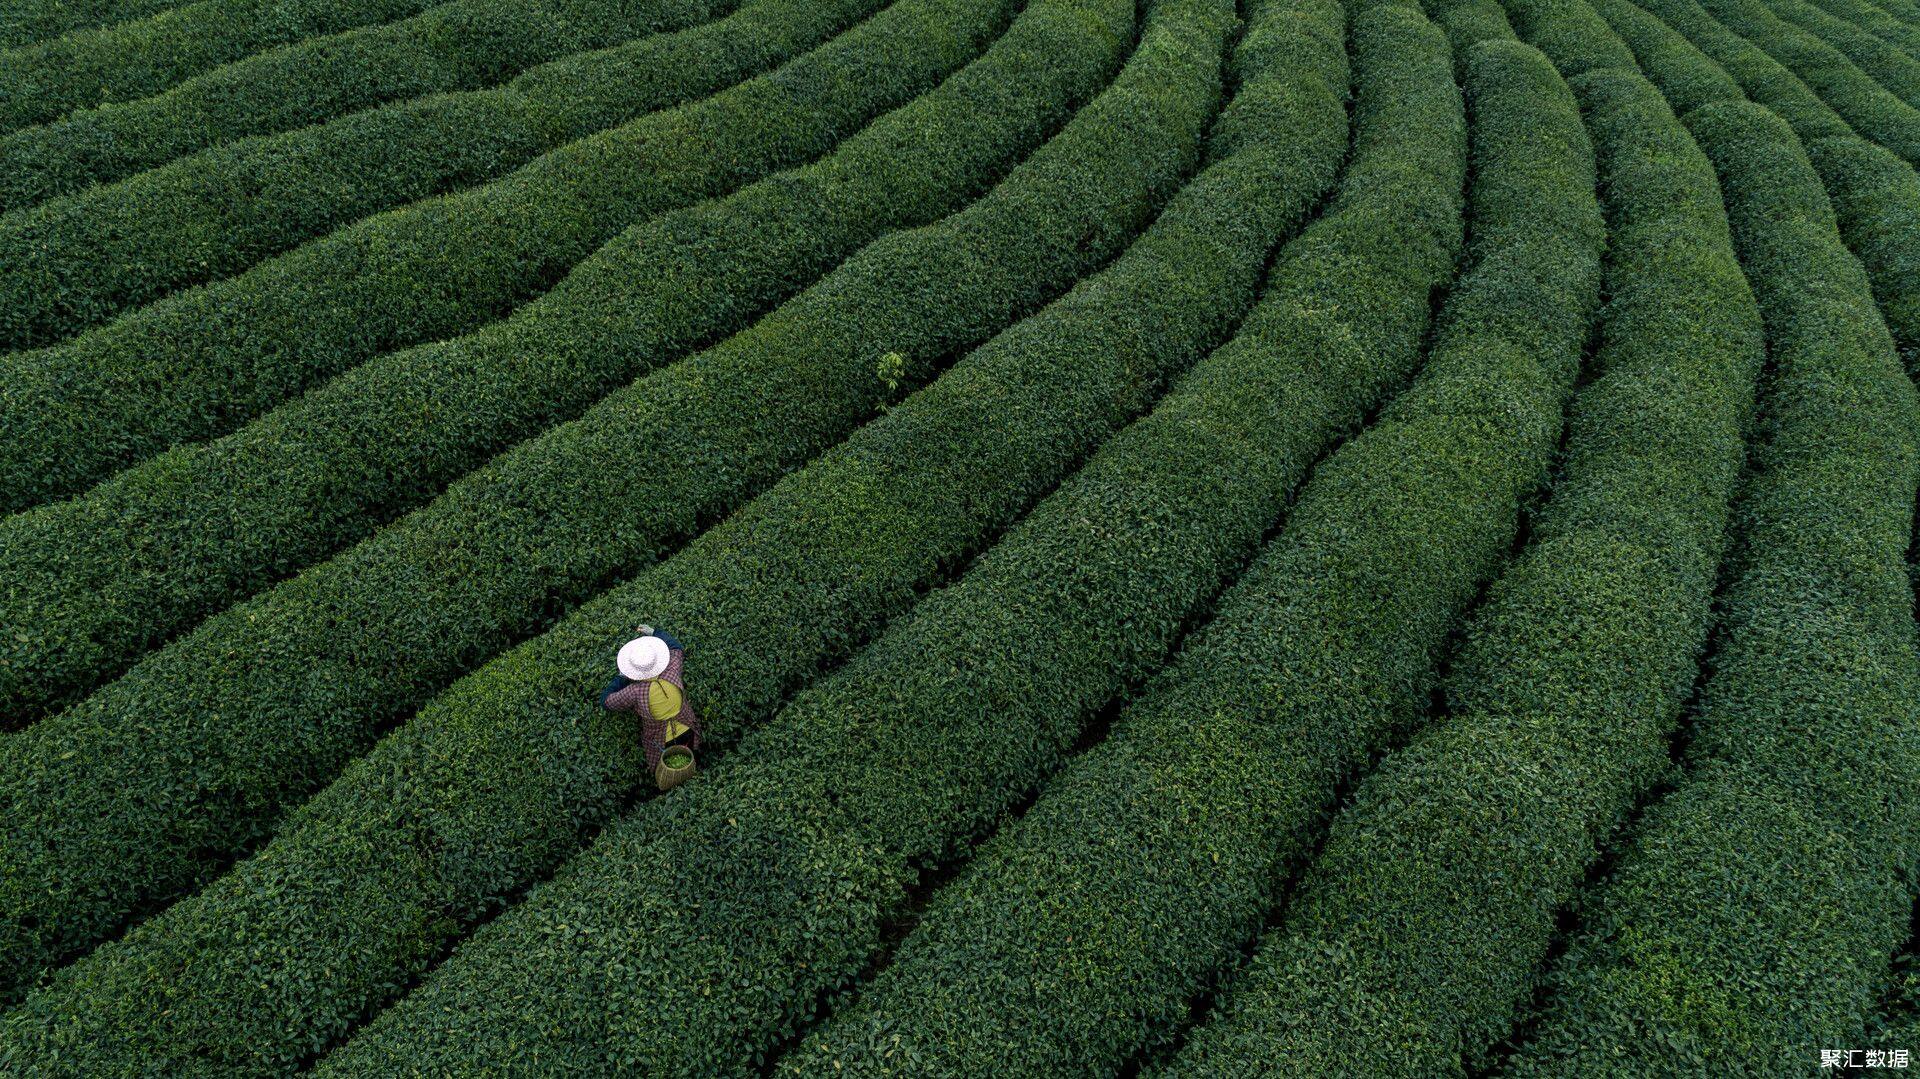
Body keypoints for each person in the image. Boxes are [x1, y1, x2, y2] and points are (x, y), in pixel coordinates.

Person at [599, 625, 700, 786]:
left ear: (633, 670)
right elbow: (676, 647)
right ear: (657, 660)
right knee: (689, 763)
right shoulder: (672, 671)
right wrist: (654, 632)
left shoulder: (635, 692)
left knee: (670, 776)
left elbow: (606, 701)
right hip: (688, 730)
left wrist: (621, 677)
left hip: (661, 743)